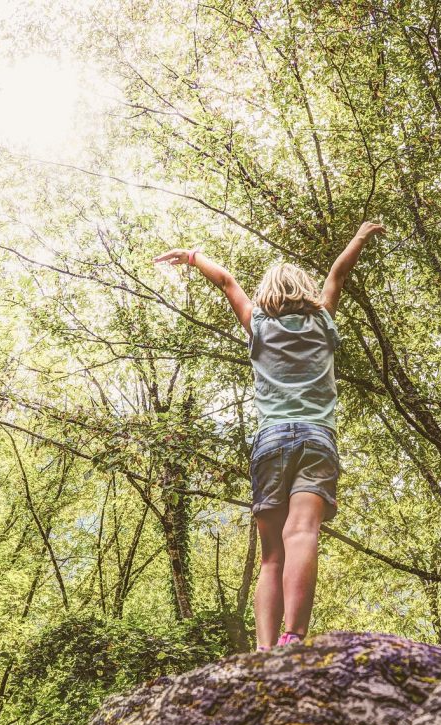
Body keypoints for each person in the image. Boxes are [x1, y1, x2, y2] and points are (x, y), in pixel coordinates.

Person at [154, 222, 385, 649]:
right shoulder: (321, 321)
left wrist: (189, 255)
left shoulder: (259, 324)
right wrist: (359, 237)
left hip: (271, 442)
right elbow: (337, 275)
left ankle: (263, 649)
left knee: (270, 556)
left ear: (268, 293)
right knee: (302, 534)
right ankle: (293, 636)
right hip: (317, 440)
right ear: (305, 290)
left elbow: (226, 281)